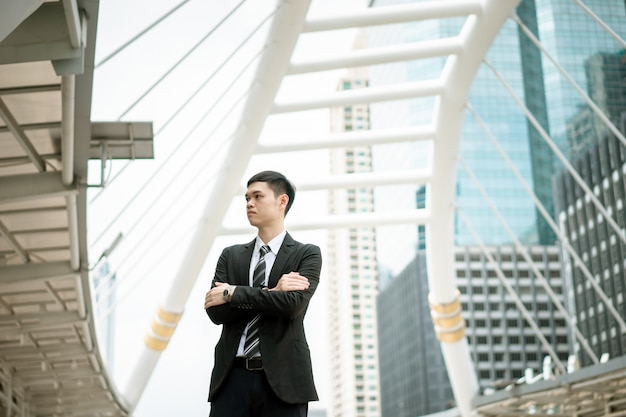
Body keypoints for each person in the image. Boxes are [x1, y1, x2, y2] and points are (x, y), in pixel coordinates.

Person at [204, 170, 322, 417]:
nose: (249, 203)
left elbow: (292, 306)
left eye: (257, 196)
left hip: (285, 382)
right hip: (231, 380)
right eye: (246, 197)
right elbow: (216, 312)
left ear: (282, 201)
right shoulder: (231, 255)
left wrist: (233, 293)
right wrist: (272, 293)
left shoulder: (307, 254)